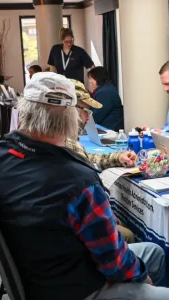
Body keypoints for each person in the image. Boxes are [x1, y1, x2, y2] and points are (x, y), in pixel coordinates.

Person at [0, 72, 169, 300]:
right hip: (73, 297)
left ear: (24, 111)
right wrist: (141, 277)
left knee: (153, 252)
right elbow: (113, 262)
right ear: (72, 118)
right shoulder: (77, 180)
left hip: (36, 277)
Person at [66, 78, 136, 242]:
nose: (88, 119)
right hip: (79, 236)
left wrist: (117, 157)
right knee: (130, 237)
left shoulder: (62, 141)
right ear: (70, 110)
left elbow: (88, 157)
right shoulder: (66, 145)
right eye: (86, 111)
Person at [87, 66, 124, 131]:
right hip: (107, 127)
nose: (90, 81)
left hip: (109, 130)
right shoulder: (106, 88)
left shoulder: (105, 92)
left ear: (97, 77)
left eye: (91, 78)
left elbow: (96, 116)